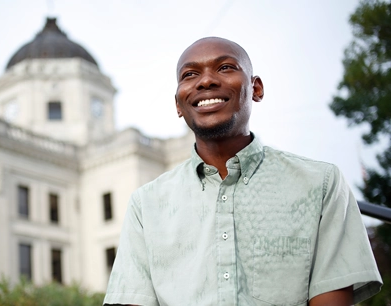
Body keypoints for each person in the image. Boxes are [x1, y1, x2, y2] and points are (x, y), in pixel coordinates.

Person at [103, 37, 383, 306]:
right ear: (178, 104)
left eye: (225, 67)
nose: (206, 80)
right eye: (190, 74)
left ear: (256, 88)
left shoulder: (320, 184)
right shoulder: (146, 204)